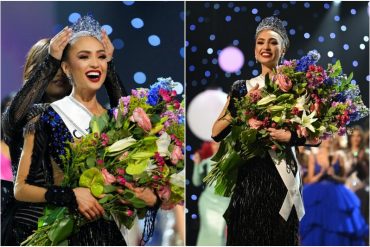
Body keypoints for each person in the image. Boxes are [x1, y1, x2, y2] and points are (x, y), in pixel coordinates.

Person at [11, 16, 159, 245]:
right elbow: (21, 185)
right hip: (36, 229)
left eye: (98, 56)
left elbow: (131, 124)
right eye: (81, 57)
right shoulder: (35, 116)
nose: (57, 75)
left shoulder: (106, 116)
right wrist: (50, 60)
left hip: (100, 230)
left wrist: (108, 65)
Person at [211, 16, 315, 245]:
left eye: (273, 42)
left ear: (283, 48)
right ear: (254, 48)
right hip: (248, 179)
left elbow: (316, 138)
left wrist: (290, 137)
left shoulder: (298, 87)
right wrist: (241, 107)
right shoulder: (241, 88)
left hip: (281, 179)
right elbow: (216, 131)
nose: (266, 47)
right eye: (260, 42)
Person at [300, 137, 368, 245]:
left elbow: (344, 179)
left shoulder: (339, 156)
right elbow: (309, 179)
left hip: (336, 193)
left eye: (330, 138)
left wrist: (334, 176)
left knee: (338, 226)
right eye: (325, 138)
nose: (328, 140)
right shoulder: (314, 156)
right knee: (317, 227)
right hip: (317, 194)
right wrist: (321, 173)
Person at [192, 141, 230, 246]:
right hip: (207, 202)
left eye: (219, 144)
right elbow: (196, 182)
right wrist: (197, 163)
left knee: (219, 234)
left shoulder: (230, 160)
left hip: (224, 203)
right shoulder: (206, 162)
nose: (216, 146)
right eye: (213, 143)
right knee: (206, 233)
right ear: (209, 145)